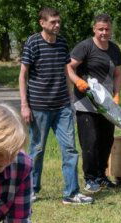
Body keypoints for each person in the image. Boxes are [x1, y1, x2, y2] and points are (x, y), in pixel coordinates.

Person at [19, 7, 93, 205]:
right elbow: (23, 74)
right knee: (37, 149)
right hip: (39, 107)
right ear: (42, 23)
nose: (57, 25)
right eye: (53, 22)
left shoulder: (61, 42)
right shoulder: (33, 43)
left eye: (58, 21)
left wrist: (72, 98)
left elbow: (65, 70)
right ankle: (31, 190)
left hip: (62, 107)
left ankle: (71, 193)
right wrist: (25, 105)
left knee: (70, 149)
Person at [68, 13, 121, 193]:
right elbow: (68, 66)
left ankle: (101, 176)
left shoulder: (114, 49)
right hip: (86, 103)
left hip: (107, 105)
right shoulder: (85, 46)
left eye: (107, 29)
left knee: (106, 141)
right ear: (94, 29)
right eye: (100, 29)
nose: (104, 32)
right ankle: (90, 178)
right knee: (90, 142)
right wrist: (77, 81)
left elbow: (118, 74)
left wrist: (117, 94)